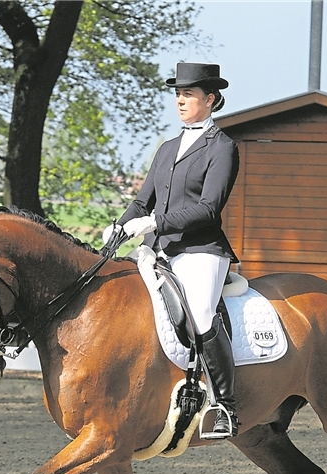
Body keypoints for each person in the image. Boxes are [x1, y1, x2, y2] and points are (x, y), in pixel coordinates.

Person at [108, 62, 241, 439]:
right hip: (159, 248)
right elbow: (142, 201)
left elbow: (208, 208)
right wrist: (117, 230)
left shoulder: (223, 148)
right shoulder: (168, 148)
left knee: (200, 315)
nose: (180, 101)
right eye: (178, 94)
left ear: (210, 99)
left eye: (188, 94)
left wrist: (154, 223)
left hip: (201, 250)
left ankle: (225, 406)